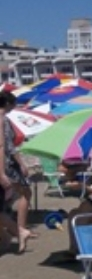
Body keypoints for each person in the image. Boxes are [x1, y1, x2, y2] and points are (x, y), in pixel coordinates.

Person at [1, 93, 35, 246]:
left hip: (4, 164)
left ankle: (8, 235)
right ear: (8, 103)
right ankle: (20, 229)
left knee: (5, 200)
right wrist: (21, 163)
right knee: (25, 193)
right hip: (7, 164)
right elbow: (7, 146)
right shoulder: (4, 120)